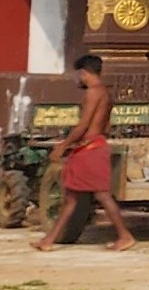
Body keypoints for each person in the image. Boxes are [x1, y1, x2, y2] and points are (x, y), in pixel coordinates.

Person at [34, 53, 134, 252]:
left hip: (90, 149)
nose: (78, 78)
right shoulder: (105, 93)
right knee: (71, 197)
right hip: (94, 146)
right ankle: (49, 240)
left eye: (79, 74)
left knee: (102, 195)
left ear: (84, 72)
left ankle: (125, 236)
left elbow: (83, 125)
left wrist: (63, 145)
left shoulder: (93, 92)